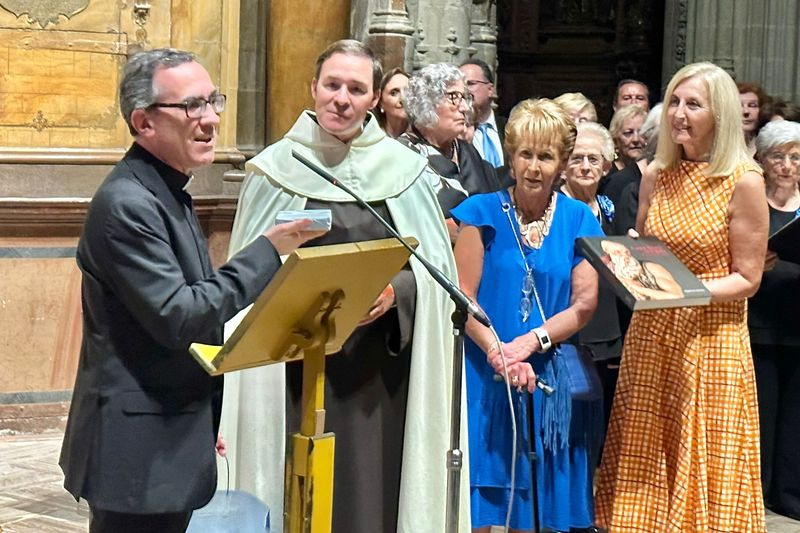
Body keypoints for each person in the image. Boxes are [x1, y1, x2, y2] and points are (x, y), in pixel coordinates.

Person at [58, 48, 322, 533]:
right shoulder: (128, 204)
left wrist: (200, 420)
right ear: (143, 122)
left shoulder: (165, 191)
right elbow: (181, 316)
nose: (211, 119)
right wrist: (267, 250)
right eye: (191, 106)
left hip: (165, 433)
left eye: (213, 101)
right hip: (136, 452)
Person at [218, 40, 466, 533]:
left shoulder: (404, 173)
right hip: (291, 368)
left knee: (370, 497)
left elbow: (437, 276)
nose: (341, 99)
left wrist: (396, 293)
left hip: (377, 376)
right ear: (313, 87)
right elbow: (245, 275)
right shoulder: (275, 169)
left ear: (374, 98)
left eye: (356, 89)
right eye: (332, 85)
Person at [595, 61, 769, 532]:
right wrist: (631, 256)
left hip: (710, 338)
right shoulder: (657, 173)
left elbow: (747, 278)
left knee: (705, 452)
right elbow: (646, 243)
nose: (678, 113)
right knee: (647, 451)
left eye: (693, 104)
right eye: (673, 101)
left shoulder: (744, 180)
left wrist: (684, 291)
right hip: (654, 333)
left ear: (721, 114)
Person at [453, 98, 603, 533]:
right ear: (511, 156)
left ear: (562, 164)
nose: (534, 167)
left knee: (537, 506)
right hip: (485, 371)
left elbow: (583, 305)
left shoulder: (579, 219)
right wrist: (499, 352)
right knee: (484, 500)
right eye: (525, 154)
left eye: (546, 156)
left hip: (547, 375)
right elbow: (464, 296)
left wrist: (530, 342)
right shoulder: (480, 212)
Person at [749, 119, 800, 520]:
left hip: (798, 321)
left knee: (795, 416)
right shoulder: (754, 202)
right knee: (762, 413)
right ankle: (759, 491)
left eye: (795, 157)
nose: (786, 165)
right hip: (760, 322)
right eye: (778, 156)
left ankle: (789, 493)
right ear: (762, 160)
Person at [560, 122, 623, 434]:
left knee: (602, 423)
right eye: (577, 158)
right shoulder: (555, 208)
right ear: (563, 166)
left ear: (606, 166)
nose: (585, 167)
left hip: (607, 331)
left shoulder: (611, 208)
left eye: (593, 159)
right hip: (570, 329)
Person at [400, 62, 501, 239]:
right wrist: (441, 229)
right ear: (426, 101)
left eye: (465, 98)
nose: (464, 107)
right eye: (454, 97)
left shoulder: (468, 151)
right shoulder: (403, 154)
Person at [599, 240, 683, 300]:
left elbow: (677, 296)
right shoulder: (613, 278)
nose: (626, 257)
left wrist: (639, 289)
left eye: (627, 252)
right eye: (617, 253)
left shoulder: (651, 269)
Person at [460, 58, 506, 167]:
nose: (464, 90)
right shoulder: (457, 133)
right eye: (460, 85)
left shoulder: (509, 128)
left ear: (490, 89)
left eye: (470, 83)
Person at [607, 104, 647, 174]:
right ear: (615, 140)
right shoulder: (606, 174)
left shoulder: (655, 172)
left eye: (642, 133)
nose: (636, 139)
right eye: (628, 133)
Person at [376, 67, 409, 138]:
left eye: (408, 91)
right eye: (394, 93)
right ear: (381, 103)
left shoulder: (424, 139)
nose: (403, 98)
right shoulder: (372, 139)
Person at [738, 81, 770, 156]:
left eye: (752, 105)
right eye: (739, 105)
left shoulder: (769, 147)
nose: (746, 111)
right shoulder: (718, 148)